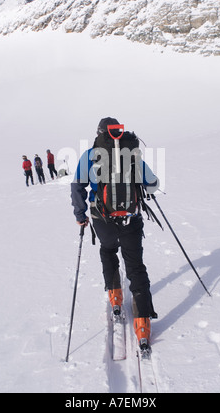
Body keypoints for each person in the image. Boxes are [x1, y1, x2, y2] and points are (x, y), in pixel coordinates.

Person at [71, 117, 160, 353]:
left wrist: (80, 214)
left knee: (108, 250)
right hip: (131, 218)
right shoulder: (131, 152)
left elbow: (77, 186)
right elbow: (151, 183)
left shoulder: (90, 155)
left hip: (101, 219)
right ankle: (142, 324)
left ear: (99, 133)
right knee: (135, 265)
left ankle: (116, 298)